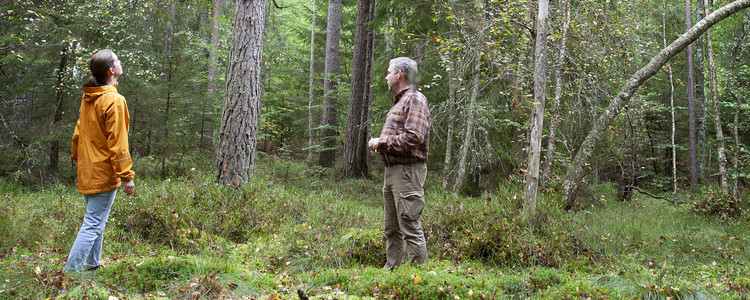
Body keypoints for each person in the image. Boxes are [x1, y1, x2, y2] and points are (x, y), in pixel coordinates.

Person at [64, 49, 135, 272]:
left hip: (89, 170)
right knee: (93, 223)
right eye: (117, 60)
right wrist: (126, 176)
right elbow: (118, 142)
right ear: (111, 70)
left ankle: (92, 265)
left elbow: (78, 135)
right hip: (103, 172)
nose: (120, 62)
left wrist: (80, 169)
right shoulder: (114, 100)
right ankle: (70, 273)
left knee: (96, 221)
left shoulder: (89, 97)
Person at [368, 57, 430, 270]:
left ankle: (417, 280)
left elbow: (414, 137)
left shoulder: (415, 99)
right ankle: (391, 272)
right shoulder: (401, 101)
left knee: (410, 227)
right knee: (392, 229)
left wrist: (381, 142)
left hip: (407, 172)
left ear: (400, 74)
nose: (386, 76)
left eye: (389, 72)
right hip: (393, 172)